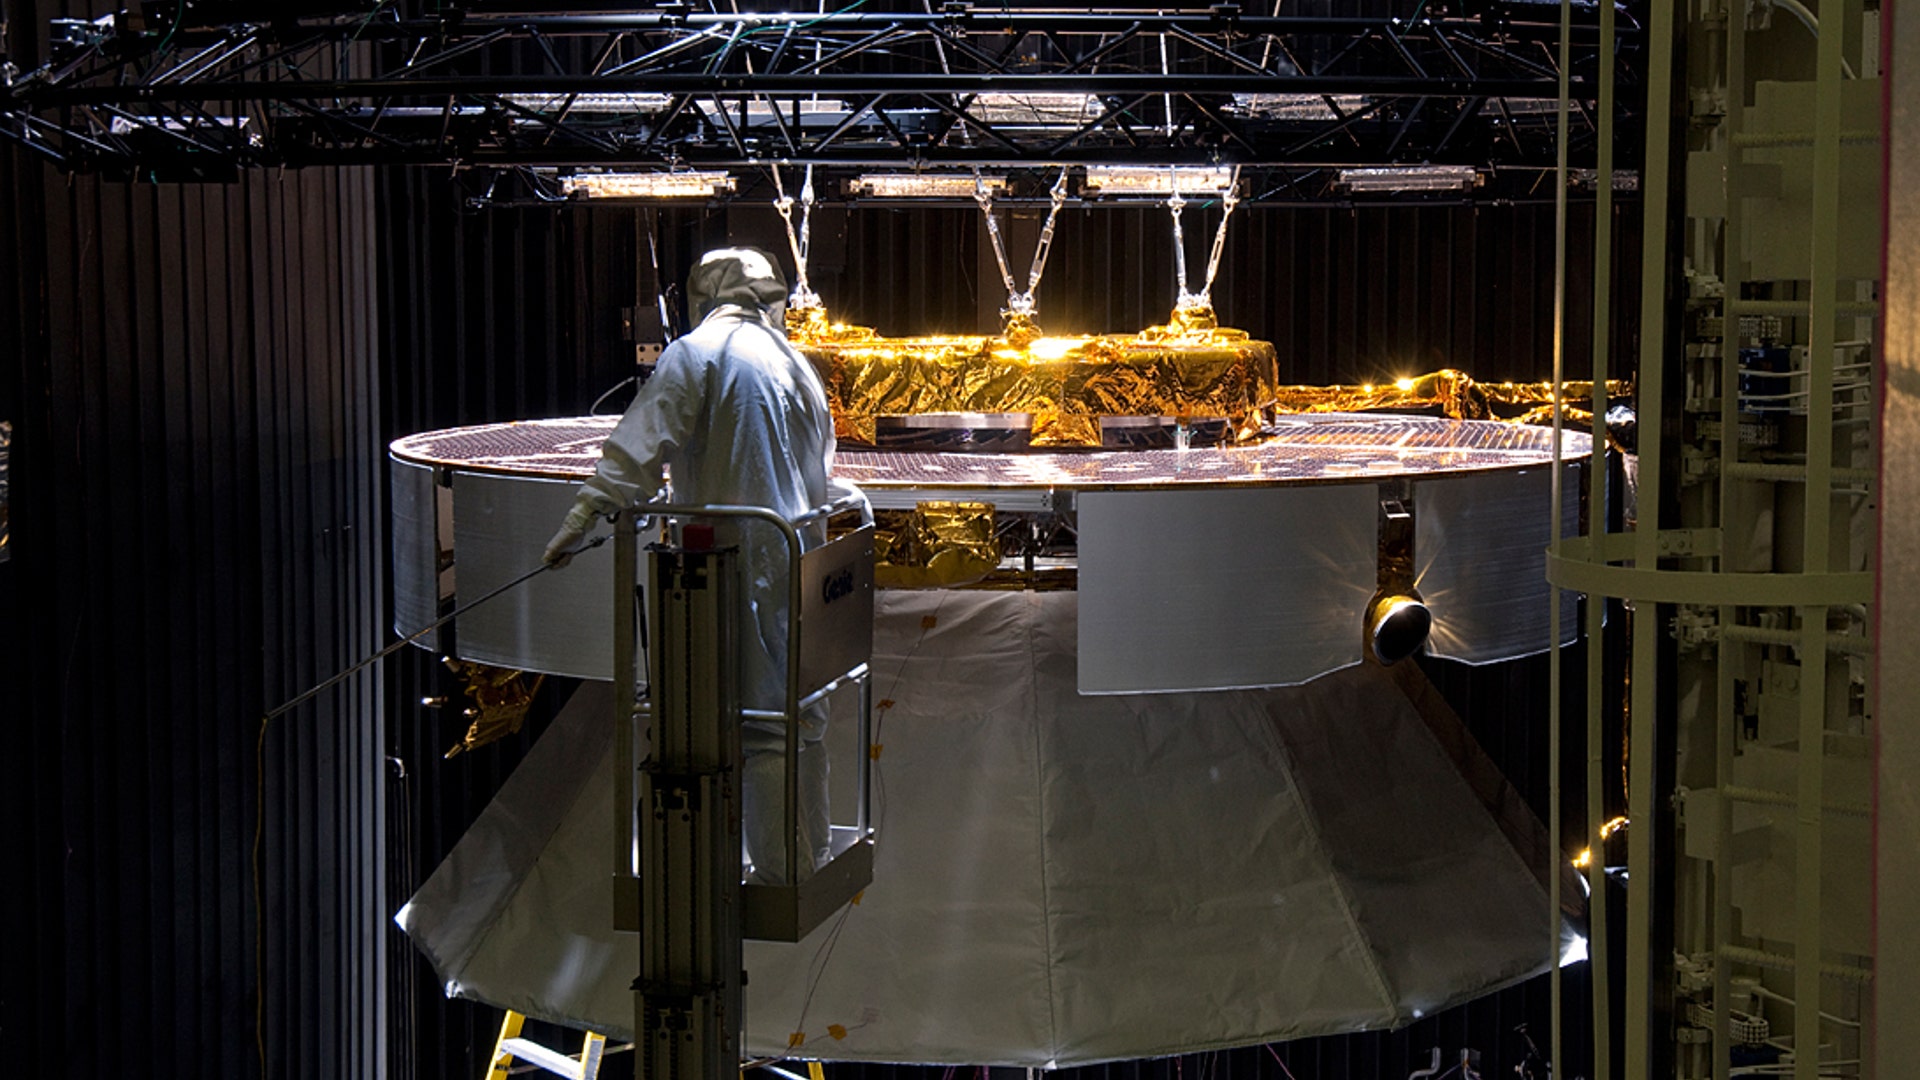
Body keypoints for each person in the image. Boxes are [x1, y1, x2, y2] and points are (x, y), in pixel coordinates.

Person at [544, 246, 854, 885]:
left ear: (701, 295)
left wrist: (581, 520)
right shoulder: (794, 361)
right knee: (800, 714)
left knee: (750, 725)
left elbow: (638, 446)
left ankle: (775, 870)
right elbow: (821, 462)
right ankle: (808, 857)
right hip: (804, 556)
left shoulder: (695, 353)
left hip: (729, 569)